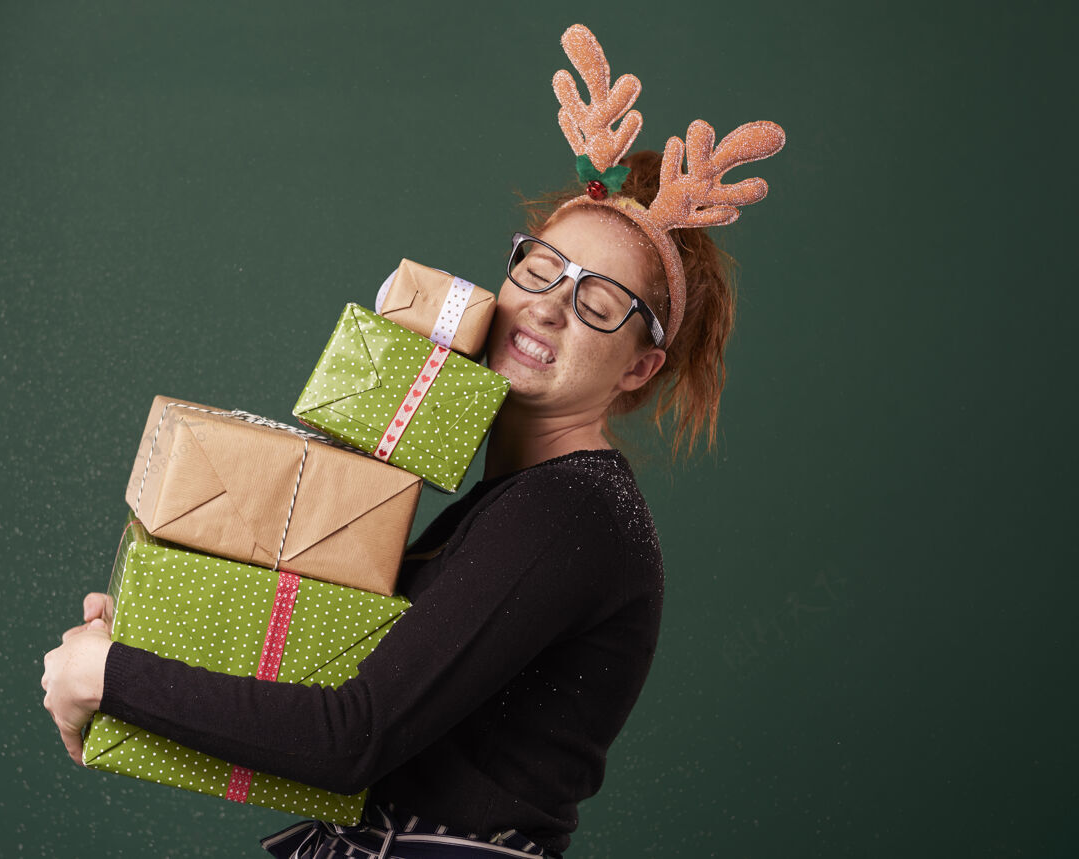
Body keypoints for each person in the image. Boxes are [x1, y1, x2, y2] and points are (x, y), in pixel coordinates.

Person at [41, 25, 783, 858]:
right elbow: (336, 691)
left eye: (599, 301)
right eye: (541, 267)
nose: (547, 306)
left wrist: (112, 677)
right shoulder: (517, 498)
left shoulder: (573, 510)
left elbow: (348, 736)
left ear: (639, 367)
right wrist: (147, 647)